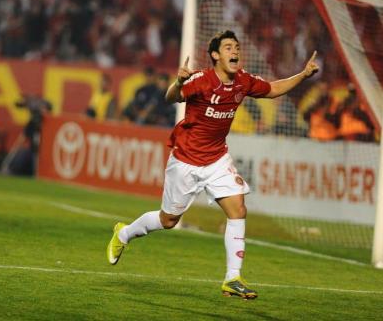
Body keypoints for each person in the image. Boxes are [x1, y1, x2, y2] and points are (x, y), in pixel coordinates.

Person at [107, 30, 319, 299]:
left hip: (217, 158)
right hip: (185, 159)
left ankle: (233, 278)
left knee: (238, 209)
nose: (235, 51)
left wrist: (302, 74)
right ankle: (124, 234)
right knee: (168, 220)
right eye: (229, 47)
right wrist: (177, 82)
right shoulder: (201, 80)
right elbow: (172, 97)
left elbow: (274, 89)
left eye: (237, 47)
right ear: (216, 55)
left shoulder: (243, 81)